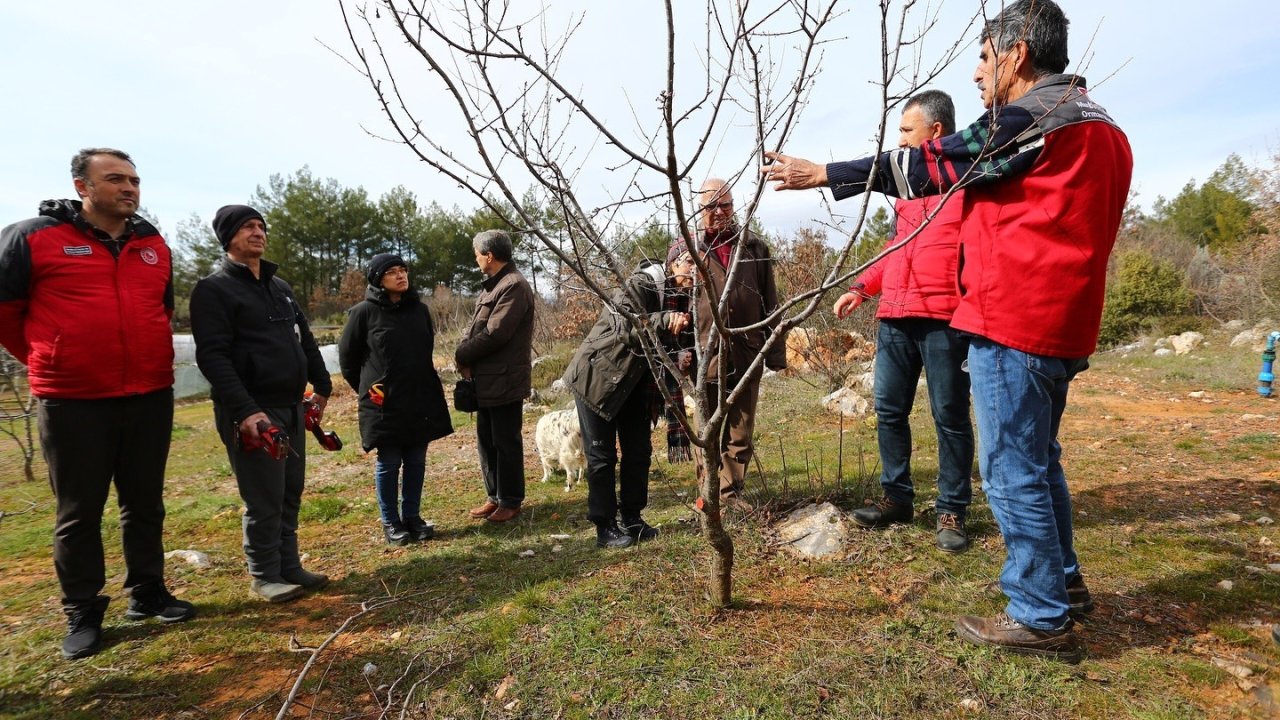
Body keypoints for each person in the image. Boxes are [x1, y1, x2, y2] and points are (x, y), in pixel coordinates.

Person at [763, 0, 1132, 662]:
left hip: (1015, 319)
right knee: (1039, 462)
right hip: (1060, 322)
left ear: (1018, 54)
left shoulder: (1036, 120)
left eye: (985, 57)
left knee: (1012, 468)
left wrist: (826, 173)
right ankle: (1063, 586)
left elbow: (937, 165)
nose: (977, 74)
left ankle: (1041, 613)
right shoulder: (1102, 126)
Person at [0, 148, 195, 660]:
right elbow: (6, 316)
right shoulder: (31, 238)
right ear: (82, 186)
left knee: (144, 502)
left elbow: (162, 310)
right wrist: (53, 361)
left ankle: (147, 592)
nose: (129, 188)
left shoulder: (153, 243)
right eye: (115, 179)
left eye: (134, 180)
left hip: (150, 393)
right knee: (79, 512)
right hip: (72, 400)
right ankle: (82, 610)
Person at [833, 91, 975, 554]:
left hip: (944, 321)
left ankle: (951, 508)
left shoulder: (968, 185)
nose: (899, 140)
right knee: (889, 411)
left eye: (906, 131)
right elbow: (896, 250)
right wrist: (862, 288)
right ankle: (896, 498)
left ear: (936, 132)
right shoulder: (907, 193)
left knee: (949, 417)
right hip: (894, 316)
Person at [190, 205, 334, 603]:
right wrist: (245, 410)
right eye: (247, 227)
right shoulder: (214, 290)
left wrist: (322, 386)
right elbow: (213, 358)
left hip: (290, 405)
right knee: (263, 495)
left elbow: (305, 339)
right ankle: (264, 574)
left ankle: (289, 566)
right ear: (227, 237)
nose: (257, 232)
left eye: (260, 226)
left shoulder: (280, 287)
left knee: (290, 490)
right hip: (253, 411)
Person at [564, 245, 695, 548]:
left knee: (638, 453)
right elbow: (625, 325)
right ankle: (605, 527)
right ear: (672, 263)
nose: (694, 271)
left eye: (698, 266)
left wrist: (679, 356)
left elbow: (664, 345)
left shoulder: (683, 298)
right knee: (602, 456)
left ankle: (633, 519)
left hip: (636, 382)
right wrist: (663, 321)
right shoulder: (641, 284)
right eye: (689, 262)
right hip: (597, 378)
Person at [339, 253, 453, 546]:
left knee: (416, 460)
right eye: (392, 271)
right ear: (378, 279)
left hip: (419, 397)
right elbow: (349, 361)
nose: (401, 275)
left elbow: (424, 350)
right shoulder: (362, 313)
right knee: (389, 462)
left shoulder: (419, 310)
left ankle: (412, 517)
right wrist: (370, 389)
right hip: (384, 403)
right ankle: (391, 522)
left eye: (403, 270)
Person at [689, 178, 786, 509]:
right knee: (707, 430)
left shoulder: (754, 247)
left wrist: (775, 352)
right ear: (699, 209)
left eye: (725, 204)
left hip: (748, 350)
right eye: (711, 206)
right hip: (706, 355)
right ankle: (707, 494)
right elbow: (673, 305)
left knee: (740, 432)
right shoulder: (685, 249)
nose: (719, 212)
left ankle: (729, 495)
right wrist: (680, 353)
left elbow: (770, 302)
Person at [456, 230, 535, 524]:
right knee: (487, 440)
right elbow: (475, 327)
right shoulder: (493, 286)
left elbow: (496, 333)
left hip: (505, 379)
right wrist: (463, 348)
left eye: (477, 254)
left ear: (489, 255)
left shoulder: (513, 285)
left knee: (505, 442)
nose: (475, 259)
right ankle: (495, 497)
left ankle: (511, 500)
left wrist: (463, 354)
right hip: (487, 380)